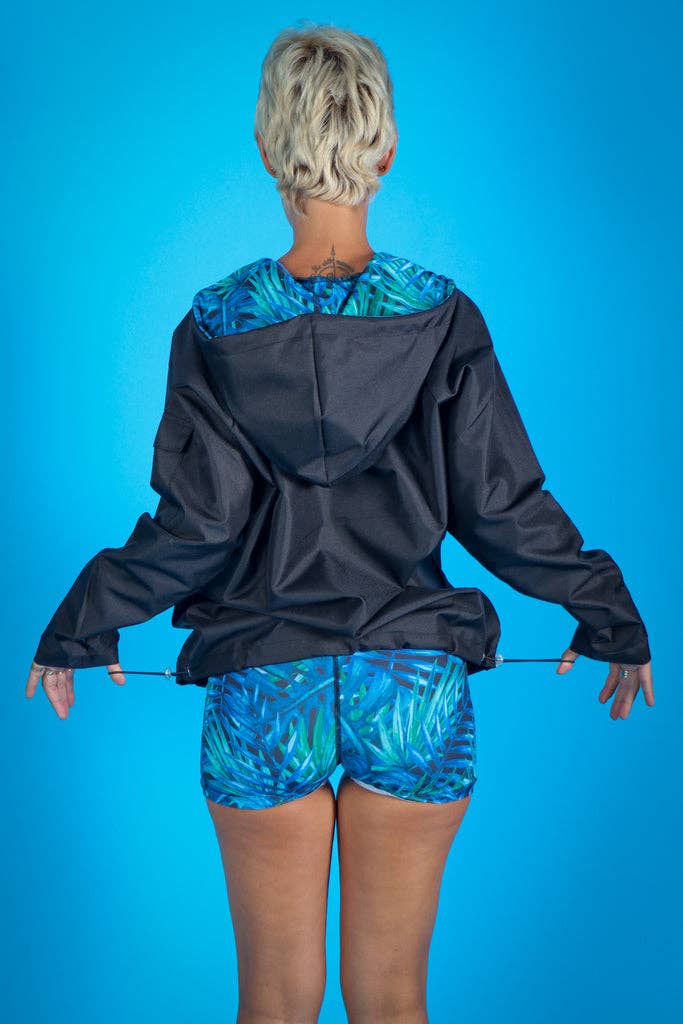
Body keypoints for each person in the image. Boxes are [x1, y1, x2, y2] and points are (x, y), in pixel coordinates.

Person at [27, 22, 654, 1024]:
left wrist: (83, 622)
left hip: (262, 685)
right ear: (385, 148)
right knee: (392, 1002)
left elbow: (198, 524)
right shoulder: (441, 315)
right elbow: (497, 504)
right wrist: (606, 611)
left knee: (274, 1005)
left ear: (268, 149)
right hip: (411, 683)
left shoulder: (215, 326)